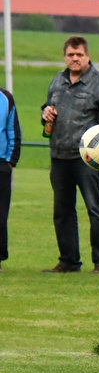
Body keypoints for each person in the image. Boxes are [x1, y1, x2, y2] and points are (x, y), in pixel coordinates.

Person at [41, 35, 99, 274]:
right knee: (62, 210)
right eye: (70, 55)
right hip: (59, 154)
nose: (74, 59)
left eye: (79, 55)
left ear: (88, 56)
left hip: (88, 158)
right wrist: (45, 113)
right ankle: (68, 261)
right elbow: (47, 108)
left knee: (95, 208)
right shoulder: (57, 80)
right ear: (65, 57)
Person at [0, 87, 21, 272]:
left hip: (1, 165)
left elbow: (13, 131)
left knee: (0, 215)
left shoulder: (6, 98)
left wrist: (10, 162)